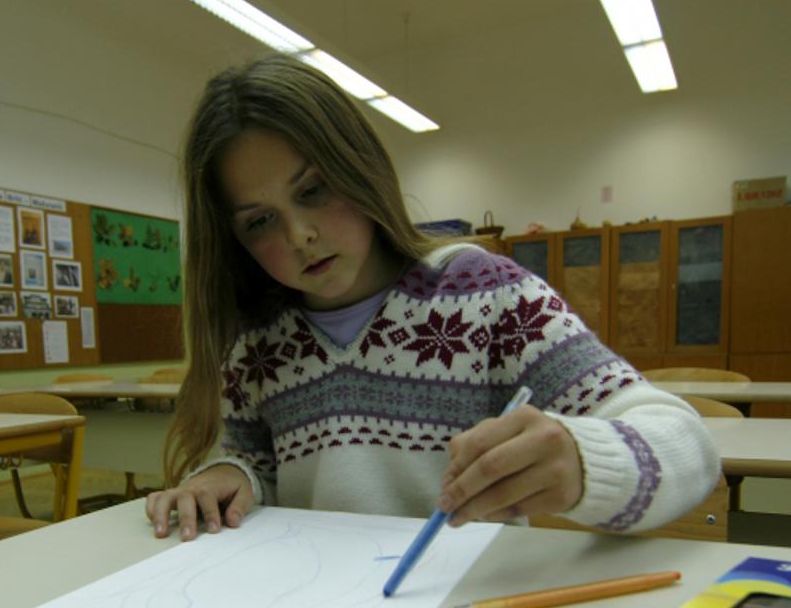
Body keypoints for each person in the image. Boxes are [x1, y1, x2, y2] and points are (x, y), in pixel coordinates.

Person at [146, 54, 719, 542]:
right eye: (260, 221)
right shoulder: (258, 344)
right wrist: (231, 476)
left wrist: (584, 459)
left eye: (314, 190)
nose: (299, 236)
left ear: (358, 166)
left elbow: (685, 442)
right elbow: (260, 465)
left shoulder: (486, 297)